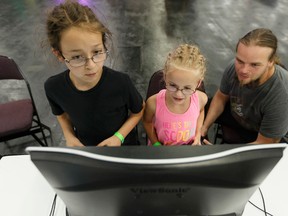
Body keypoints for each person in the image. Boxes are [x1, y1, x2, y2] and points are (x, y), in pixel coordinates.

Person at [43, 1, 144, 147]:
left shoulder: (120, 82)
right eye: (77, 57)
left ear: (104, 45)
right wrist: (69, 137)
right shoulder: (53, 87)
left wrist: (118, 137)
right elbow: (61, 115)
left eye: (97, 52)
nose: (91, 66)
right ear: (59, 54)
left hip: (125, 149)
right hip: (88, 151)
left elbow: (138, 111)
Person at [201, 28, 288, 144]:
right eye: (240, 61)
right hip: (240, 115)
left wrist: (219, 153)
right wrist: (204, 128)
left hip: (261, 133)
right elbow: (221, 97)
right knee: (196, 107)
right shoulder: (233, 67)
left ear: (271, 62)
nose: (243, 70)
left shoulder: (281, 94)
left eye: (254, 65)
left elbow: (264, 143)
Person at [143, 44, 208, 146]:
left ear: (198, 83)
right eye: (173, 85)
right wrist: (155, 144)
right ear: (165, 77)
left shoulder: (201, 99)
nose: (178, 94)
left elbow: (201, 111)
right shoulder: (153, 103)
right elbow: (147, 122)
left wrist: (198, 134)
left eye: (187, 88)